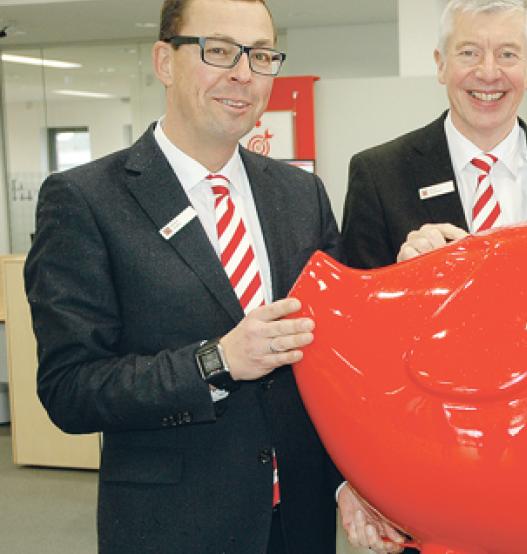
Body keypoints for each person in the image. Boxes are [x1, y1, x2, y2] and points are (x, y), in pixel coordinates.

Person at [24, 0, 349, 551]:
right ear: (165, 61)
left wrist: (354, 484)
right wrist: (216, 362)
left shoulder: (300, 194)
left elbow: (339, 354)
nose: (243, 74)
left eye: (262, 55)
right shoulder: (86, 199)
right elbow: (70, 390)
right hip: (173, 525)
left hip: (299, 521)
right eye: (219, 50)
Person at [340, 0, 527, 270]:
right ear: (441, 64)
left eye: (507, 54)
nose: (488, 72)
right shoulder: (379, 176)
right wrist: (401, 278)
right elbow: (356, 309)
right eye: (469, 53)